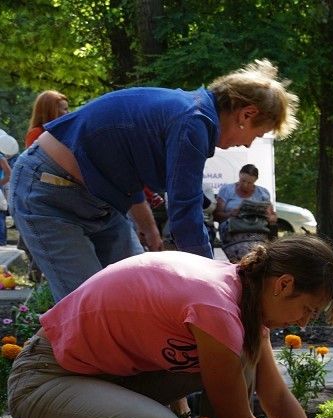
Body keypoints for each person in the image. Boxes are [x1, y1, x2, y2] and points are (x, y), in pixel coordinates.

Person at [7, 237, 333, 418]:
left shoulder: (243, 299)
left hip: (106, 380)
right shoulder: (217, 304)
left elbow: (276, 398)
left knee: (243, 362)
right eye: (307, 309)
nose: (304, 324)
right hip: (44, 381)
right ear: (284, 284)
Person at [10, 60, 298, 302]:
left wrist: (148, 227)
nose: (249, 145)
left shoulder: (192, 114)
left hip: (98, 202)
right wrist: (216, 283)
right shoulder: (193, 121)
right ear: (246, 115)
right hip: (49, 194)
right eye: (257, 135)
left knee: (138, 296)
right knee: (89, 305)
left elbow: (124, 162)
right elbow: (186, 216)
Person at [214, 164, 277, 262]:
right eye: (243, 181)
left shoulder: (262, 193)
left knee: (259, 252)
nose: (245, 185)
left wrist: (269, 217)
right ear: (239, 176)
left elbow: (273, 217)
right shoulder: (227, 190)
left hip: (257, 231)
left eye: (250, 182)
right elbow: (216, 215)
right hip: (233, 232)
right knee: (248, 253)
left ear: (255, 181)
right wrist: (231, 213)